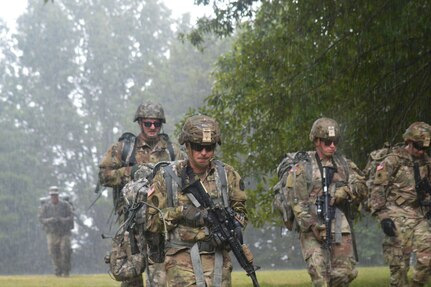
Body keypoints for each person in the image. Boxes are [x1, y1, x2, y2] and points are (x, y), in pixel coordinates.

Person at [145, 115, 248, 287]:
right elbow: (151, 223)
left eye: (209, 147)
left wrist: (235, 226)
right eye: (198, 147)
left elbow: (241, 212)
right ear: (187, 145)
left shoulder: (227, 175)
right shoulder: (167, 177)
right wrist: (182, 213)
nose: (204, 153)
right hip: (180, 260)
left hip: (217, 259)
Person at [98, 101, 185, 287]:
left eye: (157, 123)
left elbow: (187, 180)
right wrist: (131, 171)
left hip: (161, 223)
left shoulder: (172, 151)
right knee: (131, 278)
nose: (153, 127)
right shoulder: (123, 149)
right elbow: (104, 176)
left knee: (160, 279)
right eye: (148, 123)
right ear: (140, 123)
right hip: (130, 223)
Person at [283, 117, 367, 286]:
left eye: (335, 141)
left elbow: (363, 188)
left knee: (344, 275)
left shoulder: (344, 164)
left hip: (339, 226)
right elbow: (295, 201)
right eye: (328, 142)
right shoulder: (303, 166)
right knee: (321, 277)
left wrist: (346, 191)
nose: (332, 146)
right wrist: (315, 226)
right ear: (316, 141)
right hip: (311, 227)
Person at [368, 122, 431, 287]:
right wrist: (383, 217)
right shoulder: (393, 160)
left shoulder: (426, 162)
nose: (421, 151)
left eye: (425, 147)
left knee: (428, 259)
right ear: (409, 142)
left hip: (418, 215)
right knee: (399, 266)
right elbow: (377, 188)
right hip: (396, 213)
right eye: (418, 146)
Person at [38, 186, 74, 277]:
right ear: (50, 196)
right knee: (53, 252)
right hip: (52, 232)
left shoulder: (65, 205)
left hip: (64, 232)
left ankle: (66, 271)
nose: (54, 197)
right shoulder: (46, 207)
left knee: (65, 250)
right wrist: (50, 220)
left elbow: (71, 217)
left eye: (55, 195)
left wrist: (62, 220)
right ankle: (58, 271)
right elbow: (41, 218)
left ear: (58, 195)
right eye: (52, 195)